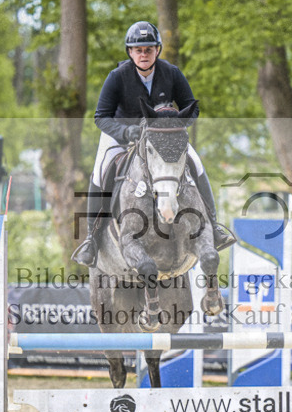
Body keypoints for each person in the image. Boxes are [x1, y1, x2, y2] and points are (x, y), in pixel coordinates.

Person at [72, 21, 235, 267]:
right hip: (122, 134)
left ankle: (214, 225)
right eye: (138, 50)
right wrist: (126, 131)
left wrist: (175, 125)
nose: (144, 54)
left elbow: (192, 107)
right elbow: (101, 116)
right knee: (101, 168)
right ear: (130, 52)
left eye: (149, 49)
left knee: (196, 162)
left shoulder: (172, 73)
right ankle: (91, 238)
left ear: (157, 50)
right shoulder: (117, 77)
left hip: (163, 135)